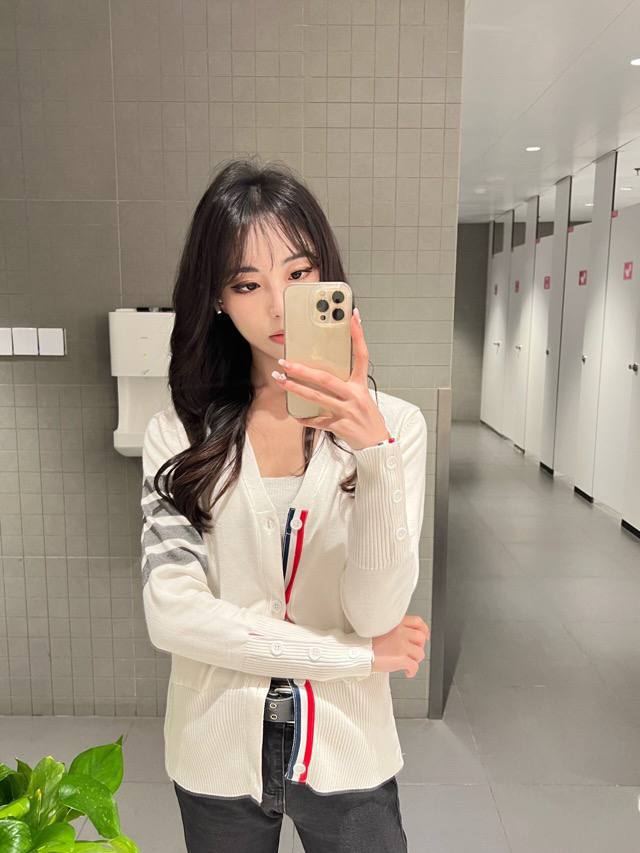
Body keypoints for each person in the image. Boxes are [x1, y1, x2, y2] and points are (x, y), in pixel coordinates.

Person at [140, 155, 430, 852]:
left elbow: (377, 613)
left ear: (329, 277)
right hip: (216, 753)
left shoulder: (397, 427)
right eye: (247, 284)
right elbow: (174, 616)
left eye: (299, 275)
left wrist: (374, 453)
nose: (276, 307)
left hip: (348, 750)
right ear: (217, 298)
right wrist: (358, 658)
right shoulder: (177, 435)